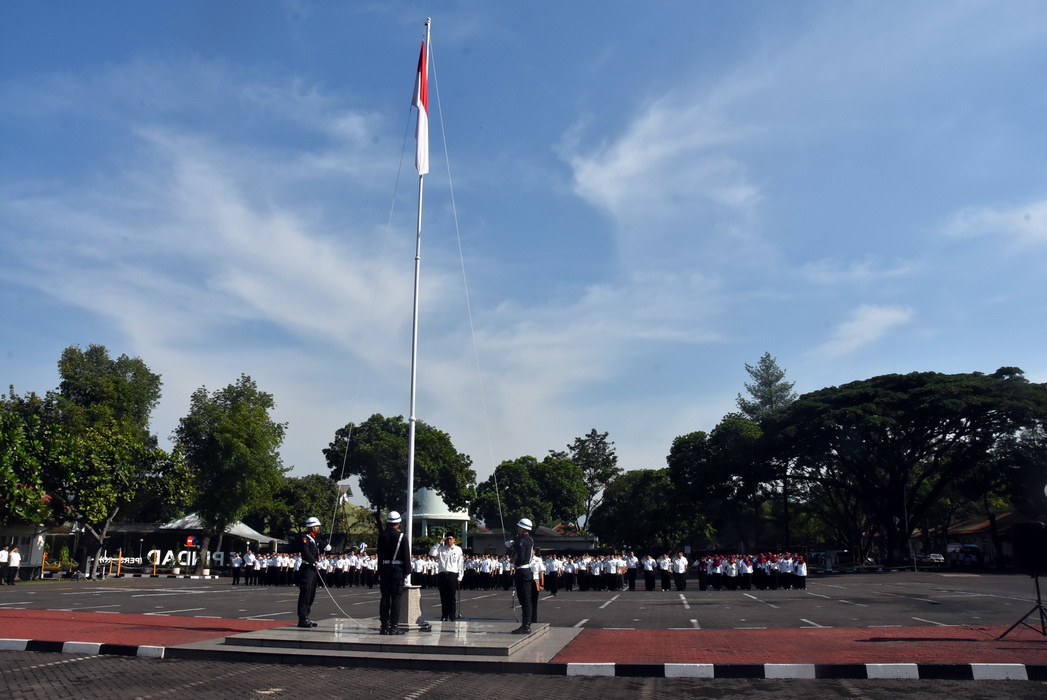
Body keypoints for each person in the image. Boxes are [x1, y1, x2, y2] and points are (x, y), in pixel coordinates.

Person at [377, 510, 409, 635]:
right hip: (397, 571)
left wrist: (380, 571)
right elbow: (406, 556)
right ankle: (394, 627)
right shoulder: (402, 536)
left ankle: (384, 626)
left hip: (385, 570)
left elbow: (380, 556)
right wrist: (407, 572)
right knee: (396, 598)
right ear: (398, 524)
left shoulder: (382, 536)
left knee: (385, 598)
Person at [506, 517, 535, 634]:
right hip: (526, 571)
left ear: (522, 528)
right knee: (526, 600)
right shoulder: (529, 539)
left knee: (525, 600)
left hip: (522, 571)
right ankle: (526, 623)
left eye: (519, 527)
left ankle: (526, 625)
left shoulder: (521, 541)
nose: (517, 528)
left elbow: (521, 557)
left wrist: (513, 545)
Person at [429, 533, 464, 621]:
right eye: (447, 539)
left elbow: (460, 563)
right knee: (443, 596)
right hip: (442, 573)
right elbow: (431, 553)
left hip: (452, 573)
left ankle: (452, 615)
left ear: (454, 540)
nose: (449, 540)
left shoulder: (458, 549)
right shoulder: (441, 549)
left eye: (450, 539)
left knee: (452, 596)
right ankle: (444, 615)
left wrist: (460, 576)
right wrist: (439, 543)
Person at [296, 517, 322, 628]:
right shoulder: (305, 538)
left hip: (313, 568)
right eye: (316, 526)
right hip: (307, 567)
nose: (318, 528)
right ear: (311, 526)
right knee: (305, 592)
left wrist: (327, 547)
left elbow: (321, 546)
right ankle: (302, 618)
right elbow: (306, 552)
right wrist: (314, 561)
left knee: (311, 593)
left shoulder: (314, 538)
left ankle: (306, 615)